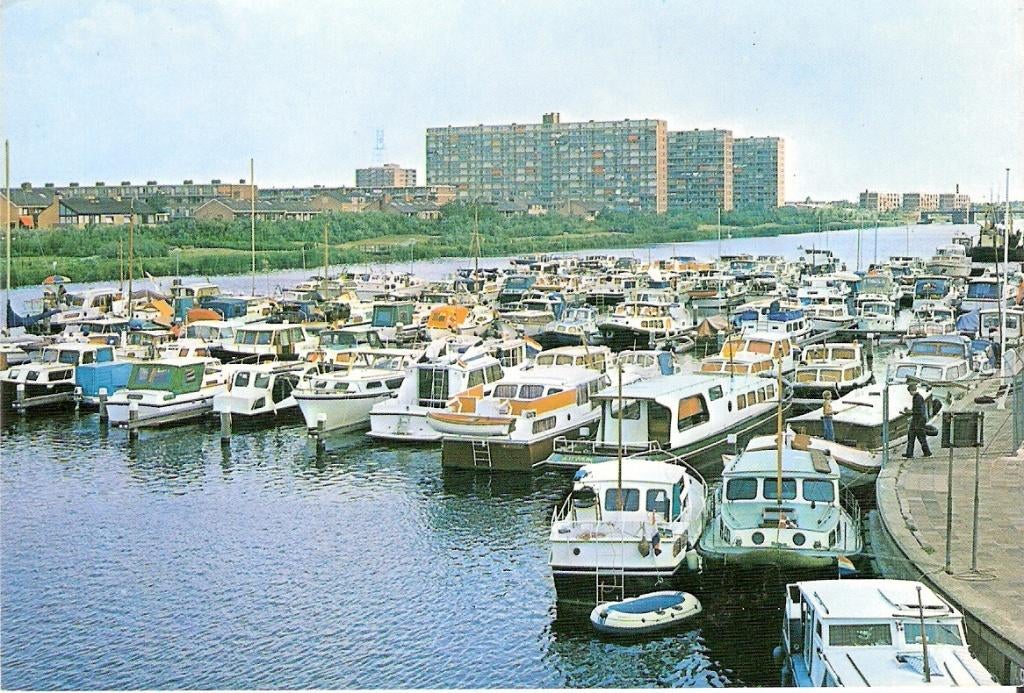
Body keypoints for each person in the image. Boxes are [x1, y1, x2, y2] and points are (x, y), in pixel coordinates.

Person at [903, 382, 932, 458]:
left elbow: (919, 411)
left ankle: (926, 452)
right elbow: (917, 410)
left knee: (920, 437)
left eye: (910, 392)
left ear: (912, 390)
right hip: (917, 419)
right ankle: (909, 453)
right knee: (912, 436)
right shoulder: (917, 397)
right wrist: (909, 411)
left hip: (919, 420)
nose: (910, 393)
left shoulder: (918, 398)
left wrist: (909, 412)